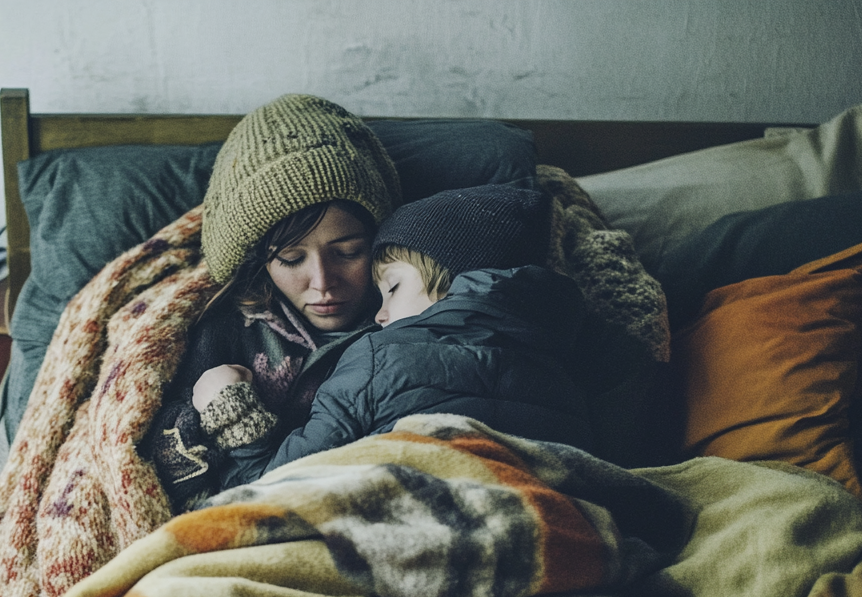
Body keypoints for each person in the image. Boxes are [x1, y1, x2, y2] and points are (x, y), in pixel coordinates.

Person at [195, 182, 596, 488]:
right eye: (292, 258)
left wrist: (232, 410)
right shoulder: (570, 363)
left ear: (451, 284)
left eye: (392, 288)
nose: (380, 313)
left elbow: (274, 486)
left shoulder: (374, 357)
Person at [145, 93, 403, 512]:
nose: (322, 283)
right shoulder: (226, 330)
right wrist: (209, 412)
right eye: (291, 259)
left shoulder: (407, 322)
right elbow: (152, 464)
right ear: (262, 262)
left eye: (349, 251)